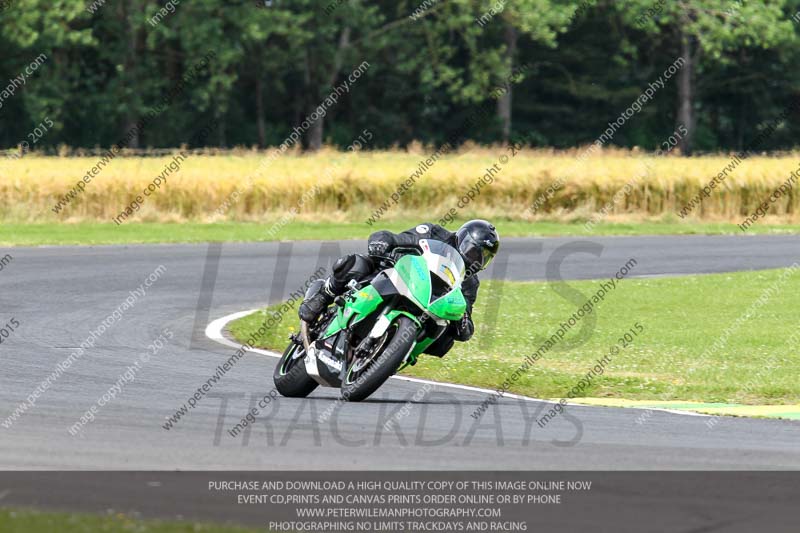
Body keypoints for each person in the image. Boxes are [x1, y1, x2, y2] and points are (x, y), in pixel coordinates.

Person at [298, 219, 500, 357]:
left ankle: (397, 352)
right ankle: (323, 296)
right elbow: (400, 238)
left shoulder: (469, 283)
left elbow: (467, 320)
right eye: (474, 251)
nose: (477, 260)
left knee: (446, 337)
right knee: (355, 263)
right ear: (462, 239)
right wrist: (384, 241)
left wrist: (464, 322)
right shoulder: (435, 233)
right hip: (396, 275)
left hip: (424, 308)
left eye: (484, 257)